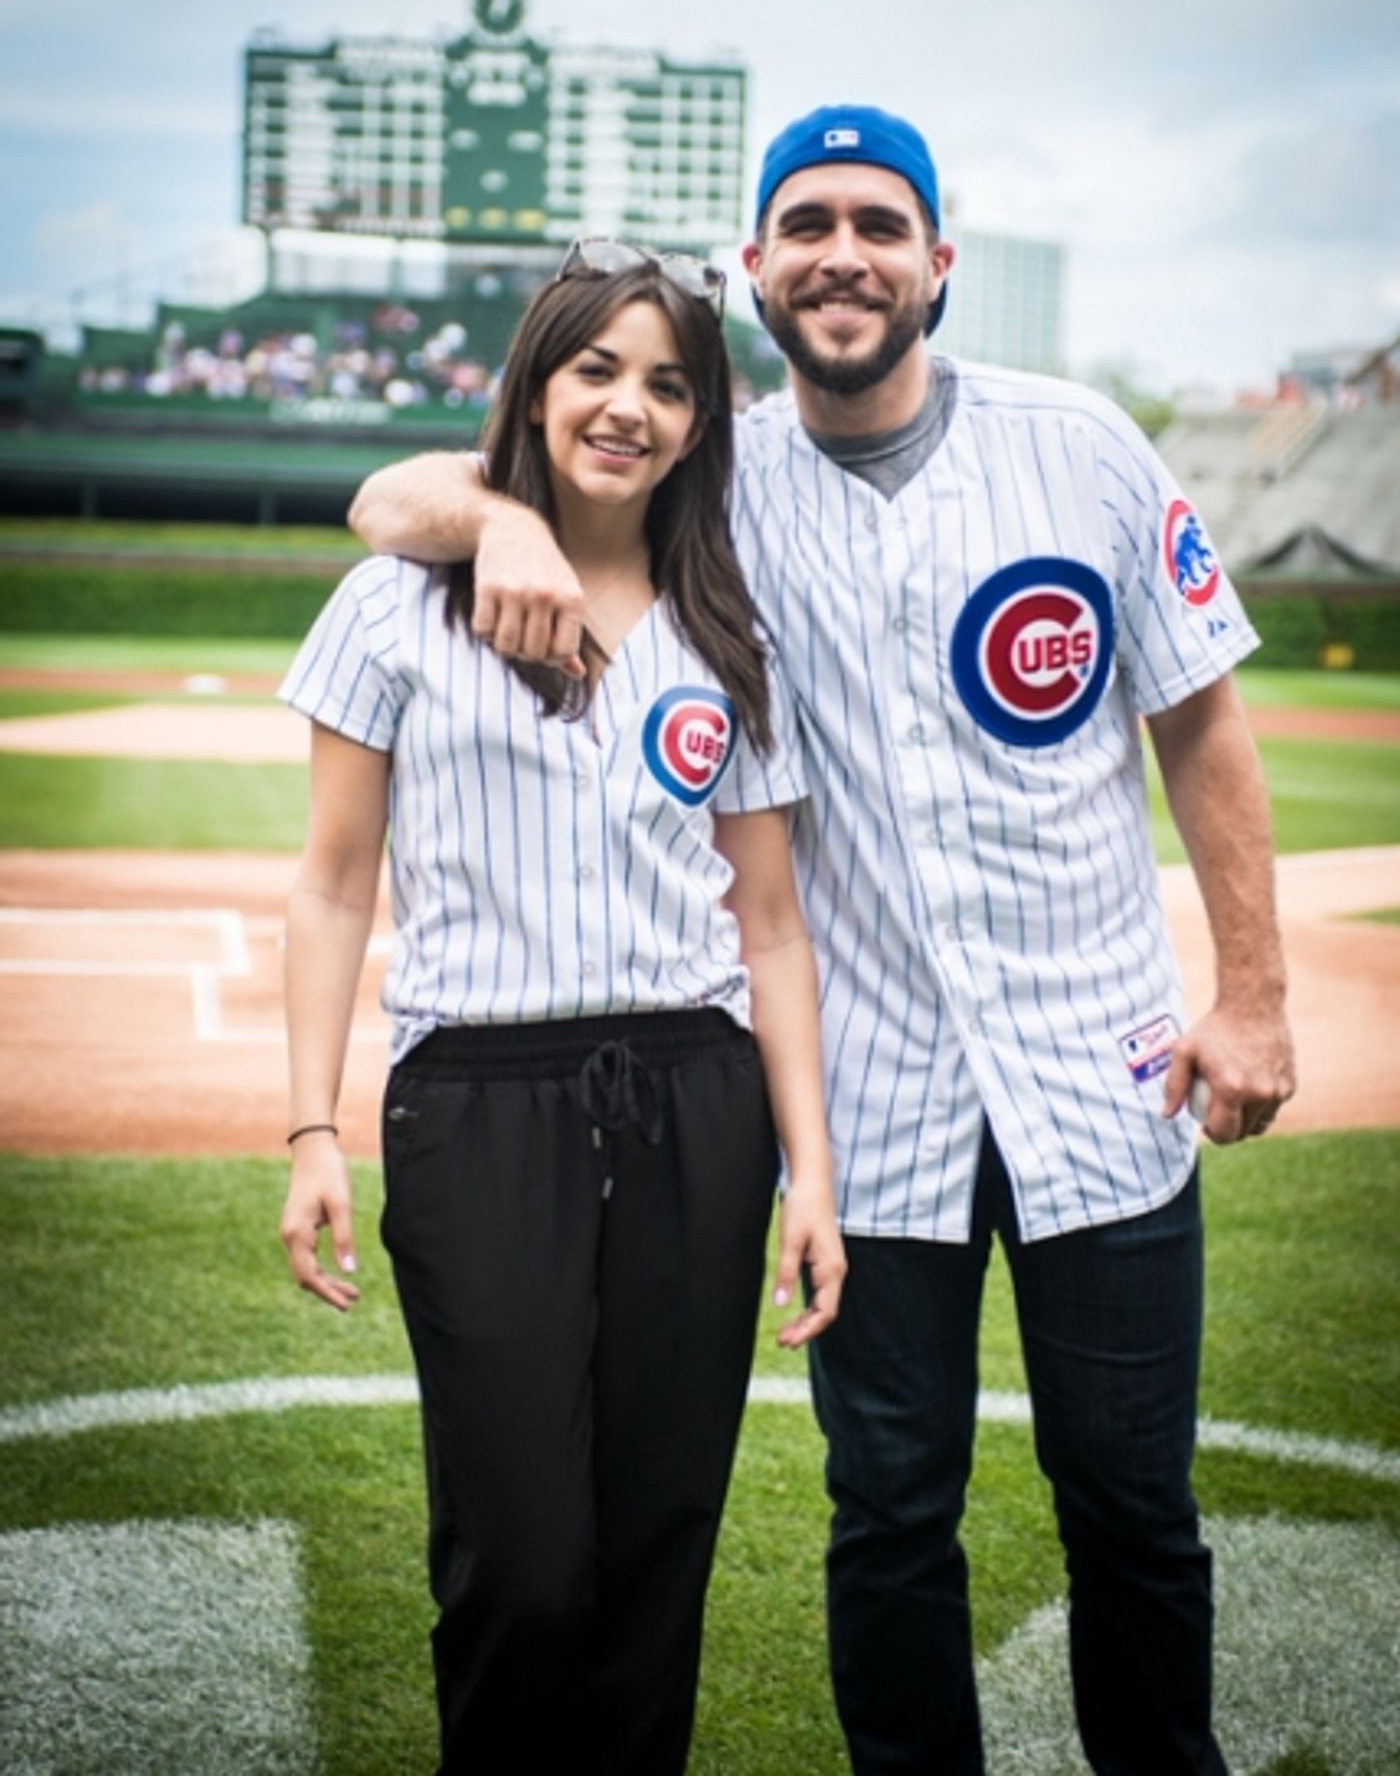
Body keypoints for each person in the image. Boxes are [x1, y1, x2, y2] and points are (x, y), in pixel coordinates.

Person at [347, 107, 1297, 1775]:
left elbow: (1203, 719)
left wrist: (1258, 995)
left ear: (941, 258)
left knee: (1139, 1514)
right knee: (889, 1523)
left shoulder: (1079, 444)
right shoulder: (718, 482)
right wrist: (492, 519)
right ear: (757, 269)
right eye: (805, 225)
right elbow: (405, 486)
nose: (841, 253)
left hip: (1109, 1079)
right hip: (876, 1106)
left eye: (878, 223)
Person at [277, 240, 846, 1776]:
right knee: (522, 1563)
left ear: (700, 423)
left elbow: (773, 926)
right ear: (533, 389)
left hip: (697, 1105)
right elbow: (334, 887)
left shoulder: (729, 626)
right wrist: (311, 1126)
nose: (629, 408)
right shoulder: (399, 599)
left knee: (659, 1559)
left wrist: (813, 1176)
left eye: (668, 384)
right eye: (596, 369)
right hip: (478, 1105)